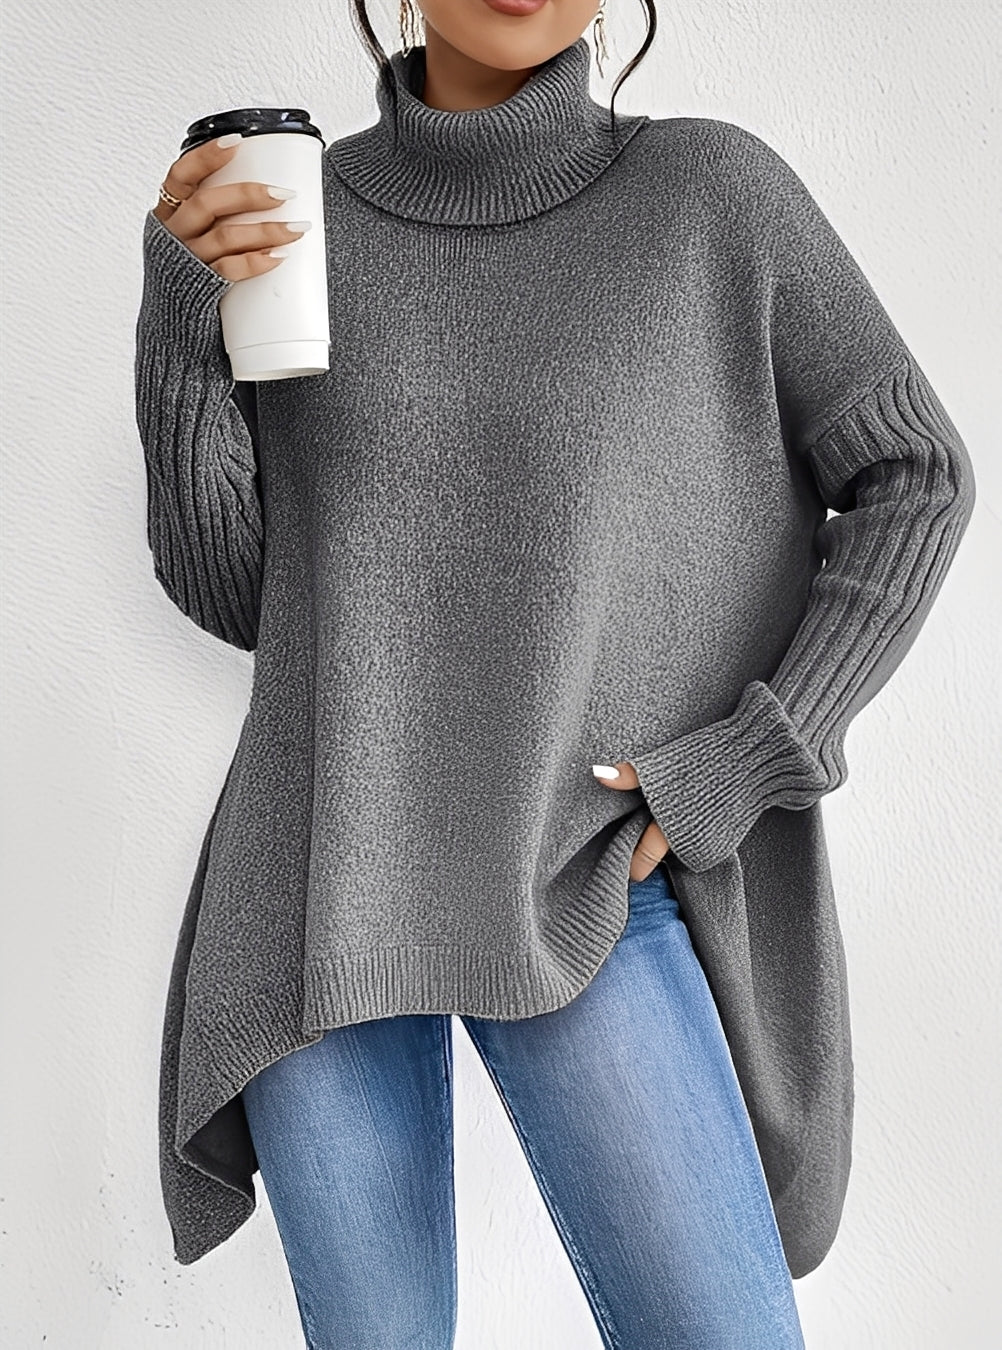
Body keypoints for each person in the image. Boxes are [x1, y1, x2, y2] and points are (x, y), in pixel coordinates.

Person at [135, 0, 976, 1345]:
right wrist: (184, 328)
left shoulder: (711, 197)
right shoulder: (293, 218)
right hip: (321, 885)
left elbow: (914, 475)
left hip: (583, 869)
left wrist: (747, 758)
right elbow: (249, 600)